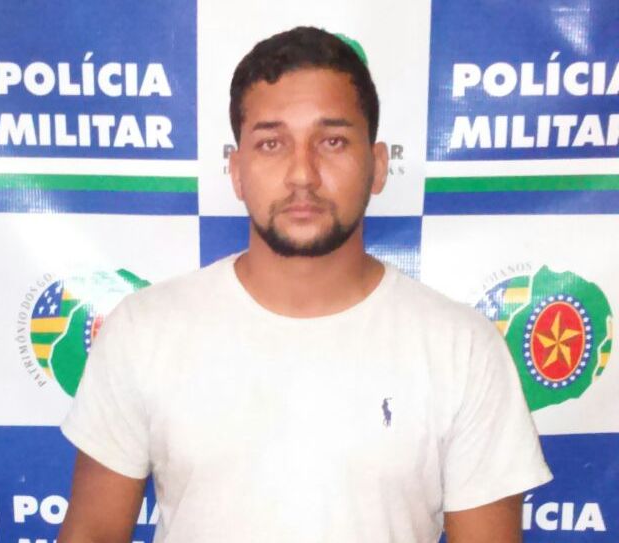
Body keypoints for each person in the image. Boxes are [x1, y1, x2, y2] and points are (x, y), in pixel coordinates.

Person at [58, 26, 552, 543]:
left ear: (378, 166)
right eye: (271, 143)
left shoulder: (462, 348)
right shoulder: (144, 330)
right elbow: (92, 532)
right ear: (236, 171)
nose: (302, 174)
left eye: (332, 141)